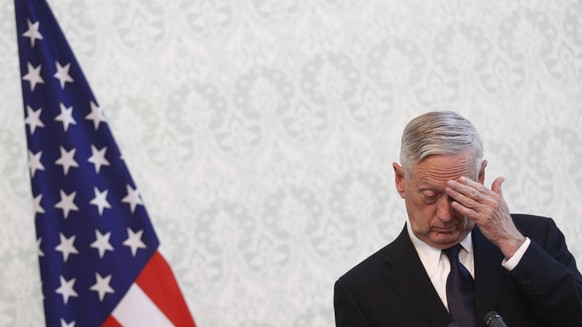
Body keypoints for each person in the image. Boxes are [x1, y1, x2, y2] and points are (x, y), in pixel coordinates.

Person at [333, 111, 582, 326]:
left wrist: (511, 242)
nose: (445, 214)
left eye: (458, 195)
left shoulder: (537, 237)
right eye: (430, 196)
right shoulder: (361, 291)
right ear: (400, 180)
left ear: (480, 176)